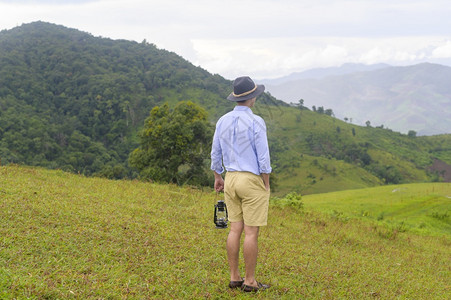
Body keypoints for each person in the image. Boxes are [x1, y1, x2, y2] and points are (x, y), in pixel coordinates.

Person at [211, 76, 271, 292]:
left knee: (235, 228)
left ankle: (234, 277)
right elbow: (263, 157)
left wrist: (218, 176)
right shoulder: (256, 122)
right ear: (252, 98)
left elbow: (215, 152)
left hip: (231, 178)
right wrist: (266, 183)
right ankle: (250, 280)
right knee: (251, 232)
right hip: (250, 179)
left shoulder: (222, 120)